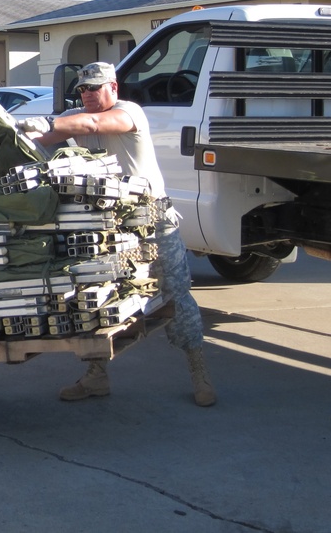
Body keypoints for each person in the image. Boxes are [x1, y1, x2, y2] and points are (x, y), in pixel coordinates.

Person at [17, 62, 216, 407]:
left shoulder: (128, 112)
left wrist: (49, 123)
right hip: (107, 225)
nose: (88, 95)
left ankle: (200, 375)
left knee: (176, 294)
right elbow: (45, 139)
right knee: (91, 294)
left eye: (94, 88)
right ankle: (96, 376)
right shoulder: (77, 116)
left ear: (114, 87)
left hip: (152, 220)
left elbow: (94, 123)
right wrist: (15, 133)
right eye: (82, 89)